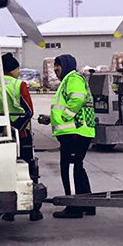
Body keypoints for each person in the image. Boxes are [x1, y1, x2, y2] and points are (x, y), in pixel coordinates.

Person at [37, 54, 96, 218]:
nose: (56, 69)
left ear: (67, 65)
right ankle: (88, 204)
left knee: (69, 168)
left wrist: (64, 117)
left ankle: (74, 207)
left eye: (58, 66)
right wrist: (51, 119)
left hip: (75, 132)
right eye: (54, 66)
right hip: (77, 132)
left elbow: (76, 100)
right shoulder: (69, 80)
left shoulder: (73, 78)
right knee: (77, 167)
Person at [0, 53, 42, 222]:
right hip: (21, 134)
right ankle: (33, 210)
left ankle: (9, 211)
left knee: (7, 171)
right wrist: (17, 129)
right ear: (12, 70)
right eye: (17, 68)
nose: (19, 71)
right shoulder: (19, 85)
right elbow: (28, 112)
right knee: (29, 172)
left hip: (1, 135)